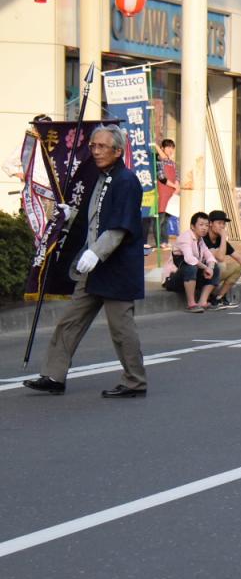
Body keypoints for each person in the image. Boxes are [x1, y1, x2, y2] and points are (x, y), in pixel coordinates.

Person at [23, 125, 147, 398]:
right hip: (90, 267)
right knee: (70, 321)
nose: (96, 151)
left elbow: (120, 227)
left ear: (118, 151)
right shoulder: (99, 178)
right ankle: (54, 375)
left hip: (116, 267)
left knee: (121, 329)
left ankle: (135, 381)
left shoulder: (126, 181)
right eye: (93, 146)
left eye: (103, 147)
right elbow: (92, 218)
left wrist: (96, 253)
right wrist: (70, 215)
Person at [161, 211, 220, 313]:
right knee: (190, 266)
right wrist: (206, 268)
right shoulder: (185, 237)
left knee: (216, 268)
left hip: (189, 278)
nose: (204, 228)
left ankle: (202, 301)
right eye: (201, 225)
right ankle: (191, 304)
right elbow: (189, 259)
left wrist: (210, 267)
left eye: (206, 225)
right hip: (172, 280)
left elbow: (210, 257)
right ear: (193, 226)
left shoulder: (200, 240)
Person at [203, 209, 241, 309]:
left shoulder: (219, 239)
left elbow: (239, 258)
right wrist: (223, 238)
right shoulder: (204, 238)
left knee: (238, 267)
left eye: (223, 224)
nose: (222, 226)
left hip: (212, 275)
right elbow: (220, 258)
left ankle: (218, 298)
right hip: (201, 275)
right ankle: (206, 296)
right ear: (210, 223)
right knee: (220, 265)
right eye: (219, 223)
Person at [155, 139, 179, 247]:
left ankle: (165, 241)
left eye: (172, 147)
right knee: (160, 218)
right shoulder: (159, 160)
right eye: (168, 147)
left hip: (171, 193)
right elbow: (161, 177)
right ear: (163, 148)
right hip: (162, 192)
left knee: (166, 219)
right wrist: (174, 185)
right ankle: (159, 242)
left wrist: (177, 186)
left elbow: (177, 176)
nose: (170, 150)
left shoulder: (173, 163)